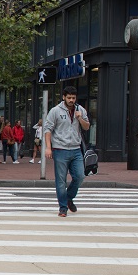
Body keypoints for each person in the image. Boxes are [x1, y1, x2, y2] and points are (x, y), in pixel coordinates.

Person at [42, 85, 90, 217]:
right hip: (60, 149)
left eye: (73, 98)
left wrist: (80, 118)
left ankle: (69, 198)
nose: (71, 100)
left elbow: (86, 127)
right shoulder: (55, 111)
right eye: (69, 97)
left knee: (80, 176)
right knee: (61, 180)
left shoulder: (80, 110)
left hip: (75, 149)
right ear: (64, 97)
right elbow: (48, 129)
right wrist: (48, 147)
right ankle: (63, 207)